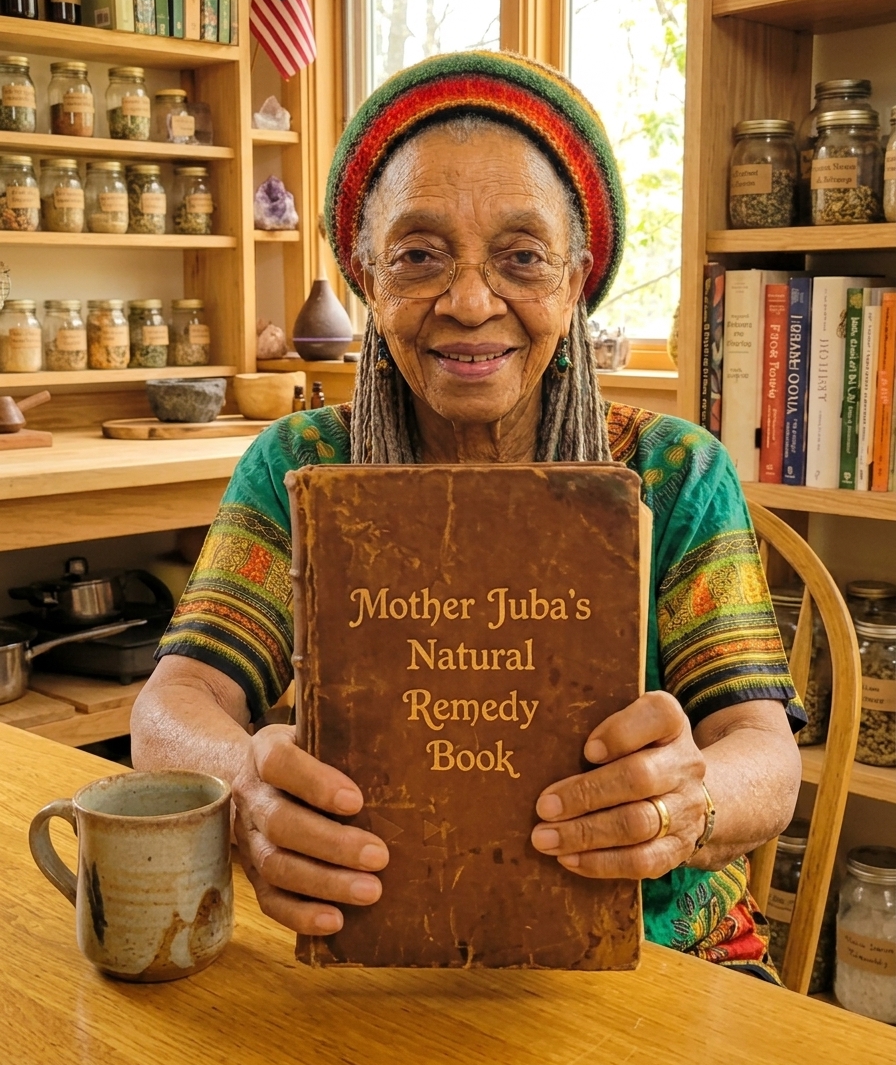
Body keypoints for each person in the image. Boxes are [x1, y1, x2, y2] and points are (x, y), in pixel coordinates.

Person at [132, 51, 804, 981]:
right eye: (419, 256)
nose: (472, 302)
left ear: (577, 280)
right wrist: (243, 781)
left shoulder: (672, 471)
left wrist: (692, 802)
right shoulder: (301, 465)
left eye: (522, 257)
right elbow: (173, 702)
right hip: (379, 948)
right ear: (366, 277)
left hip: (661, 956)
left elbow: (764, 753)